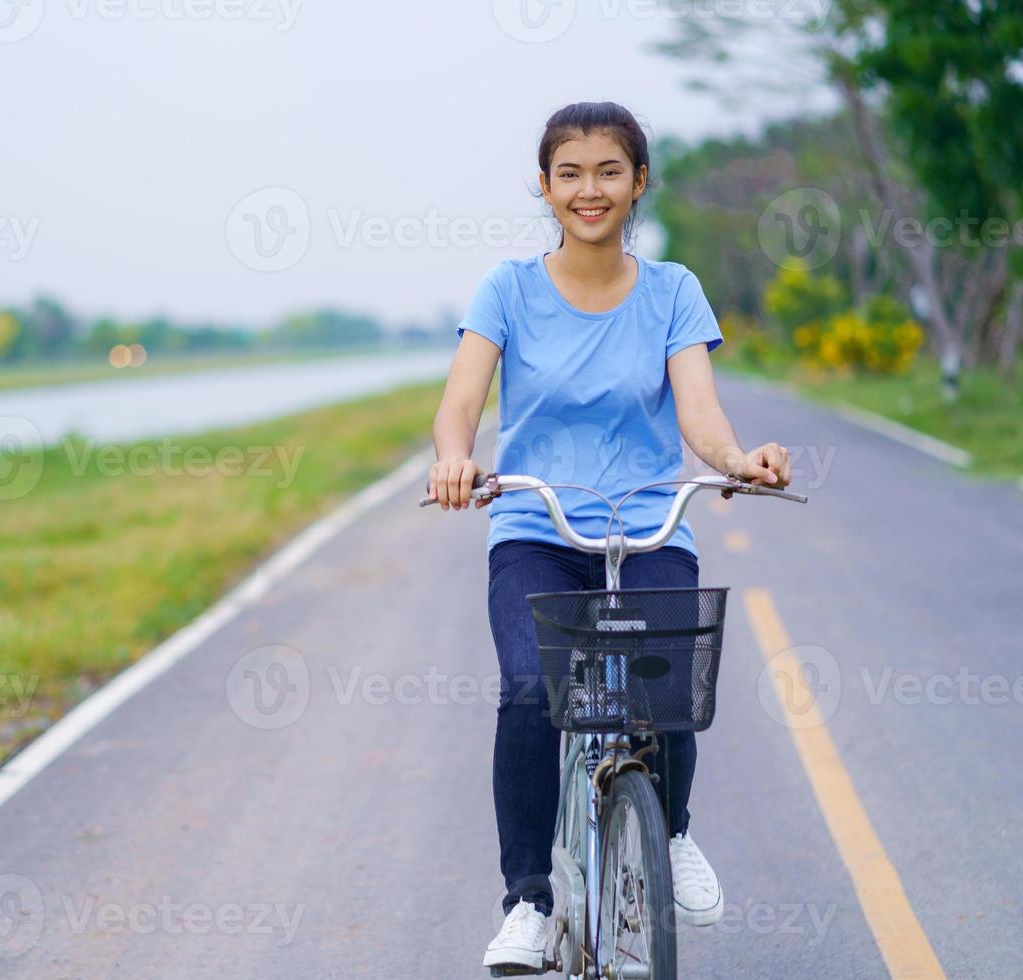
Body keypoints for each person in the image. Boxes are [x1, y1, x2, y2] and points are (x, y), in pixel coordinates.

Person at [427, 101, 793, 972]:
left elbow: (700, 416)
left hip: (647, 526)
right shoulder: (507, 289)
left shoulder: (672, 290)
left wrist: (739, 458)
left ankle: (669, 834)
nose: (589, 190)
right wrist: (452, 460)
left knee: (667, 691)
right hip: (536, 527)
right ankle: (526, 900)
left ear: (637, 185)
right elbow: (461, 405)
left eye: (608, 172)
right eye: (570, 173)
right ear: (546, 187)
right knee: (528, 689)